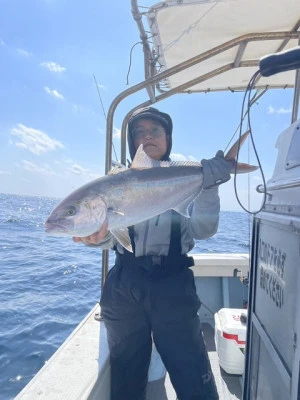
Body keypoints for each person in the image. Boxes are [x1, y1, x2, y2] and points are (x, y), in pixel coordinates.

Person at [73, 107, 232, 400]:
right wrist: (95, 239)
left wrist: (209, 190)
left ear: (167, 138)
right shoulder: (116, 181)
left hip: (172, 284)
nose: (147, 137)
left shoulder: (187, 178)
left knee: (191, 369)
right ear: (133, 143)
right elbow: (111, 240)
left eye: (155, 131)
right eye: (139, 132)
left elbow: (203, 230)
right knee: (127, 374)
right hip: (125, 284)